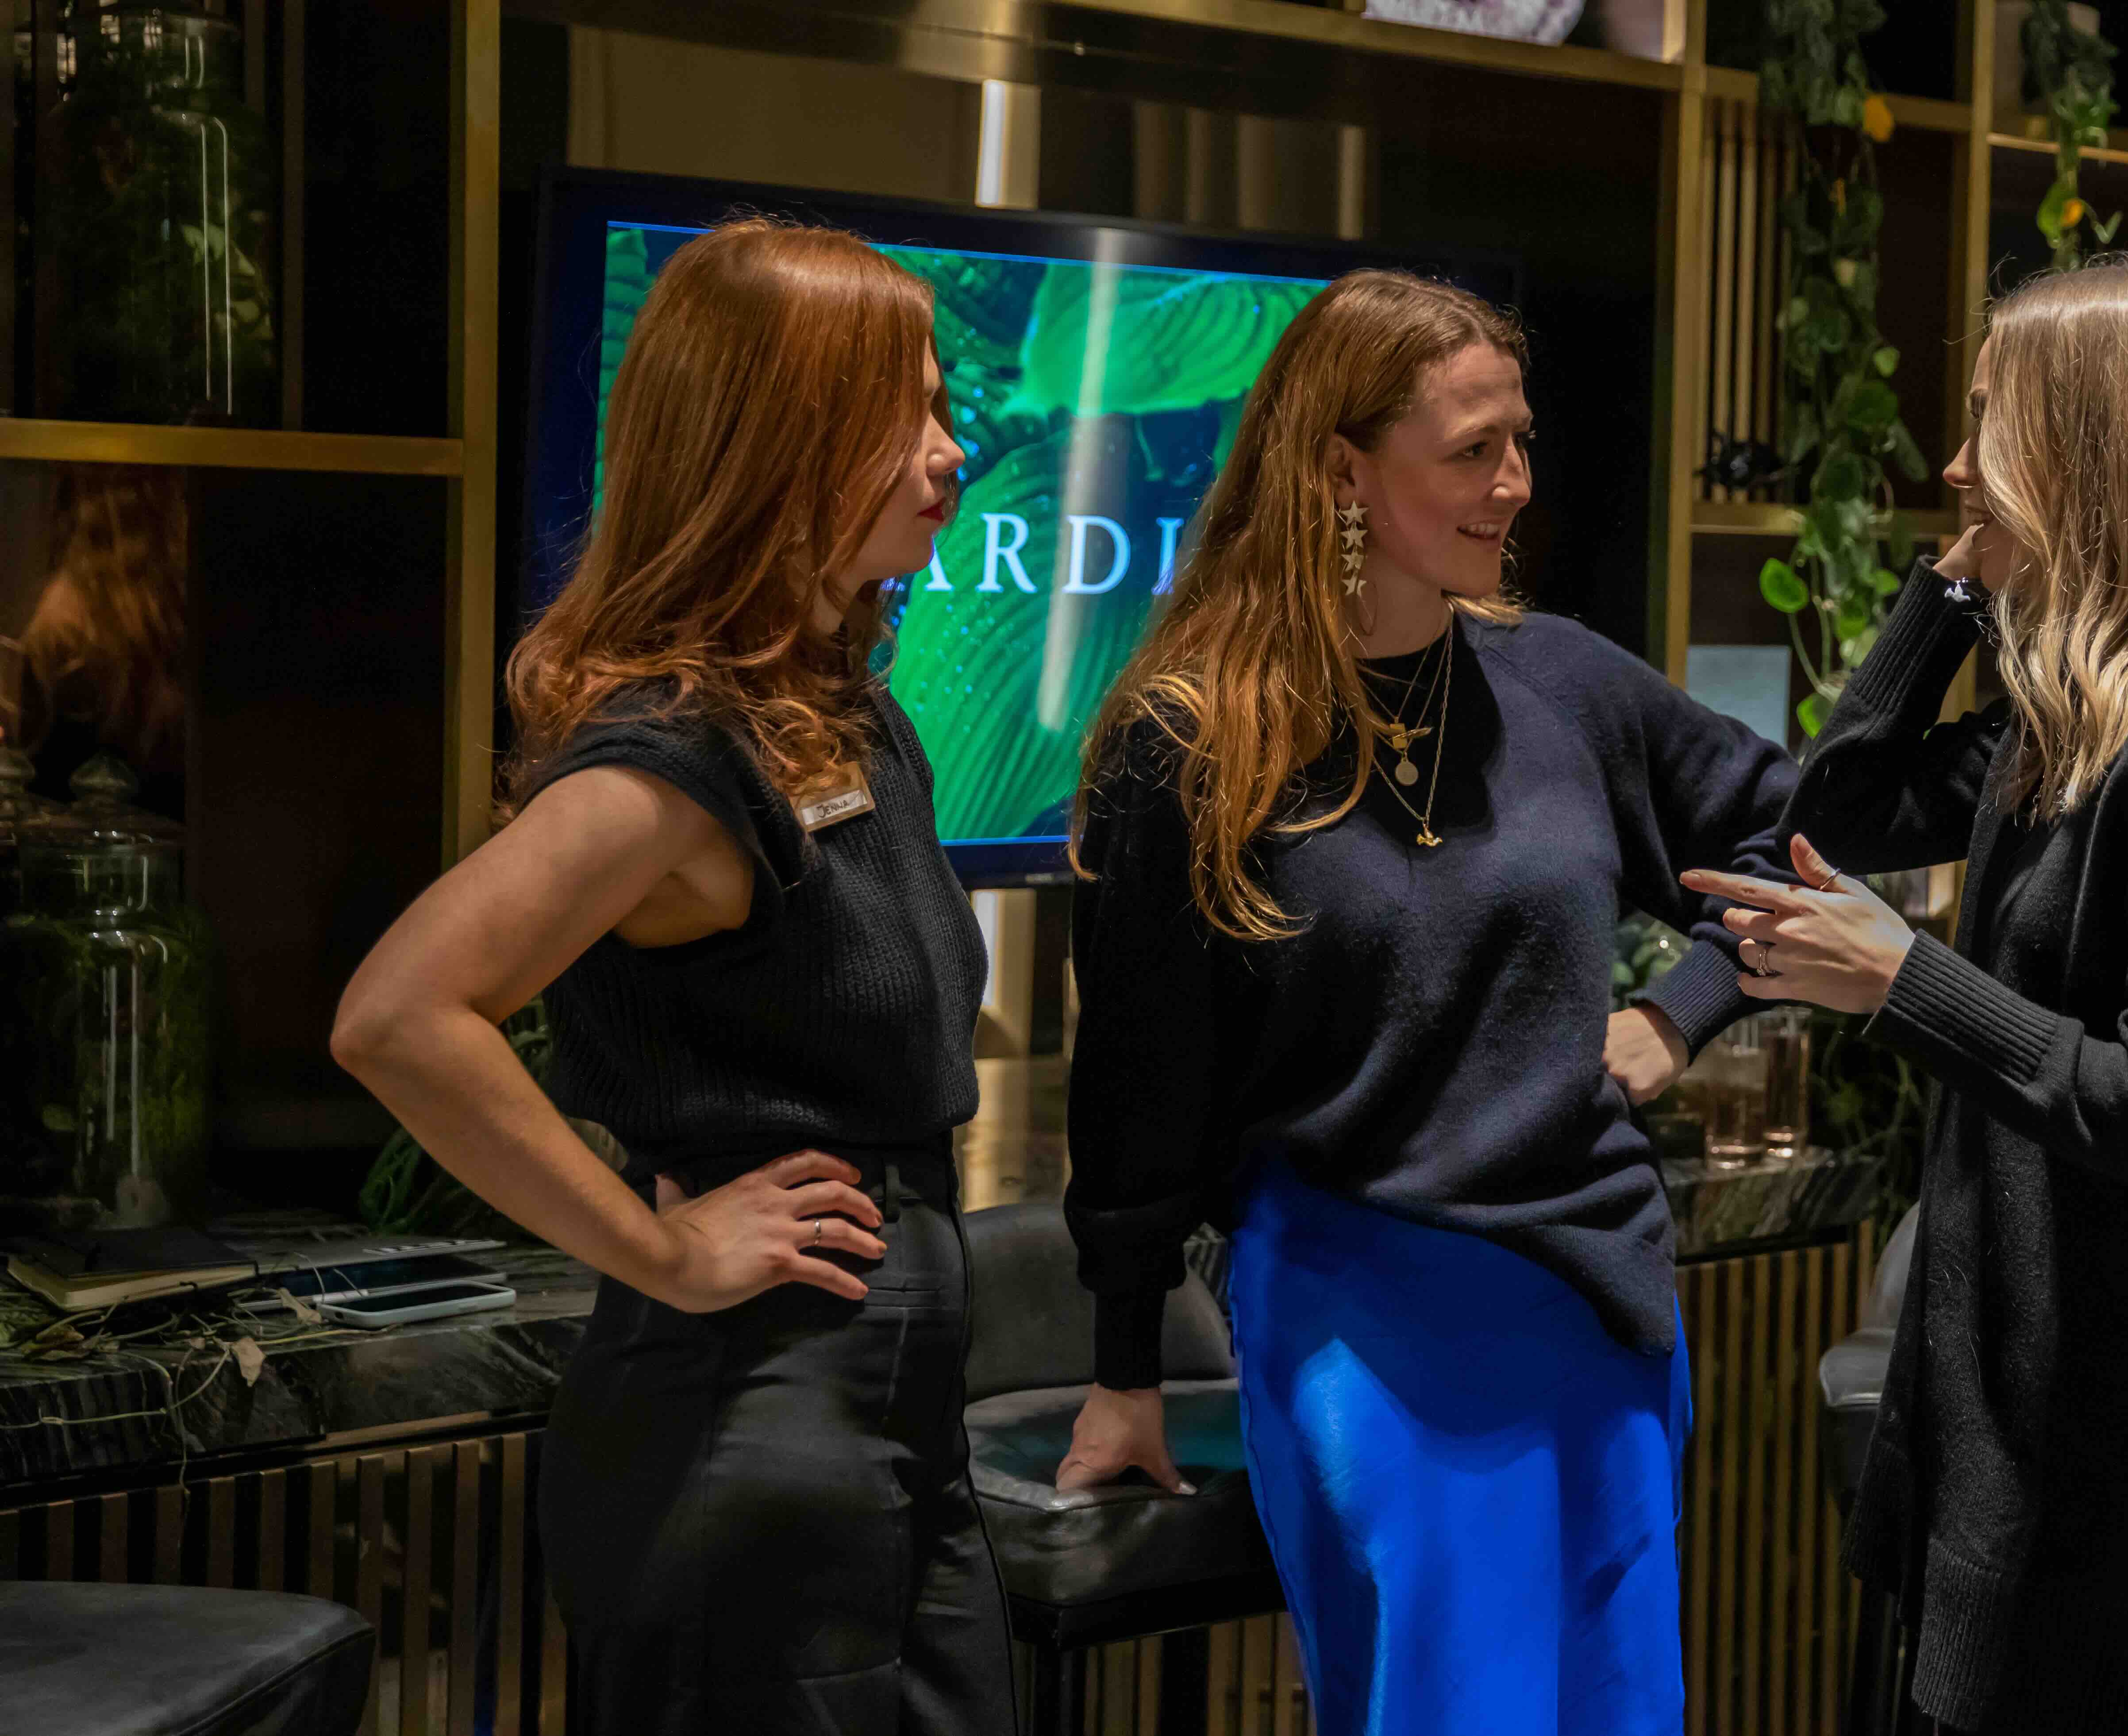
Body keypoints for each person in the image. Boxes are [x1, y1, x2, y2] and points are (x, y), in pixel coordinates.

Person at [1053, 269, 1797, 1736]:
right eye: (1471, 450)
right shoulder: (1192, 739)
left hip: (1595, 1303)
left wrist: (1683, 1009)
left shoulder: (1561, 681)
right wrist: (1122, 1370)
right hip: (1363, 1316)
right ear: (1342, 468)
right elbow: (1138, 1087)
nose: (1513, 484)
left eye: (1520, 443)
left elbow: (1789, 834)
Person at [331, 219, 1016, 1736]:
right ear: (781, 441)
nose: (948, 451)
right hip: (753, 1418)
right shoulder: (676, 755)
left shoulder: (844, 712)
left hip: (891, 1419)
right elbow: (397, 1015)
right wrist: (661, 1248)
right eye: (901, 414)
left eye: (939, 406)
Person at [1683, 255, 2128, 1735]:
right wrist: (1951, 583)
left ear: (2092, 450)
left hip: (2118, 1498)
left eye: (1988, 422)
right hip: (2018, 1454)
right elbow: (1840, 807)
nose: (1953, 464)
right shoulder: (2070, 725)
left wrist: (1904, 979)